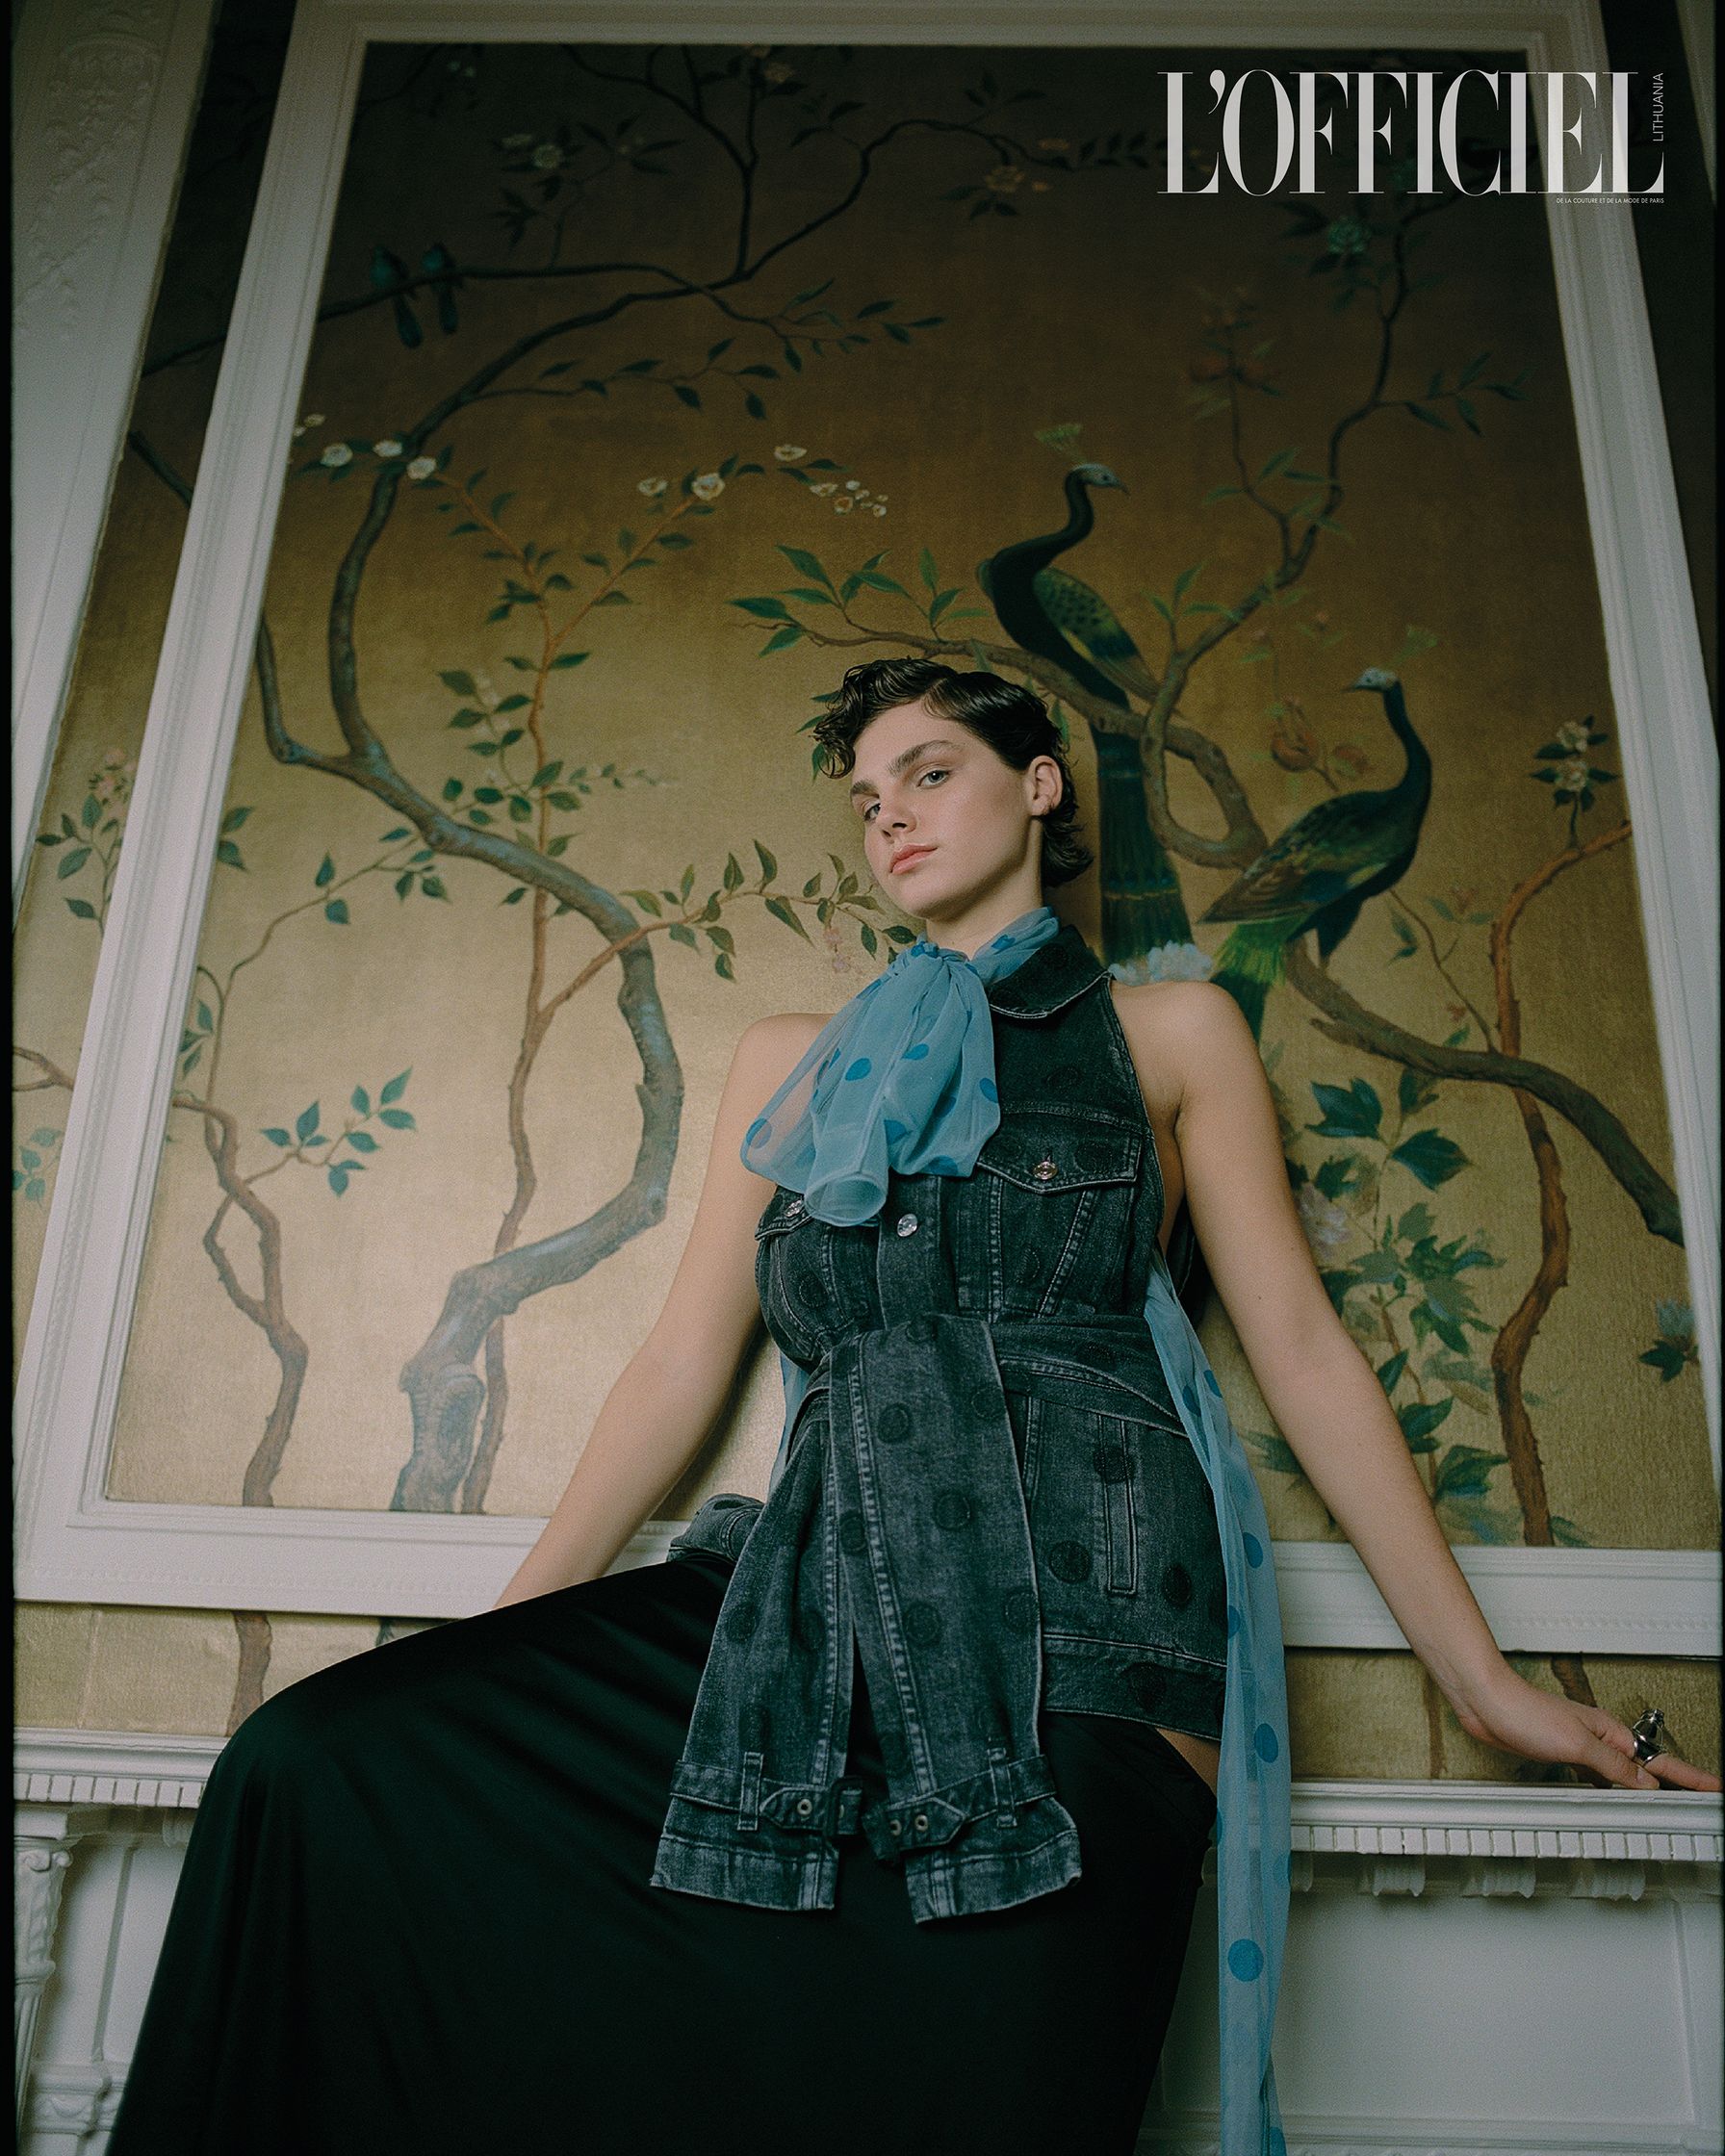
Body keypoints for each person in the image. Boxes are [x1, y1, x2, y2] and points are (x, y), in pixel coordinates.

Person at [108, 659, 1718, 2156]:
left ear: (1038, 786)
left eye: (928, 772)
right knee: (315, 1759)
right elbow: (679, 1365)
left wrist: (1490, 1684)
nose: (888, 814)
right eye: (865, 796)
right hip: (810, 1609)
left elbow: (1296, 1348)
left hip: (1083, 1632)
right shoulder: (789, 1063)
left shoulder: (1170, 1032)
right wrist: (500, 1632)